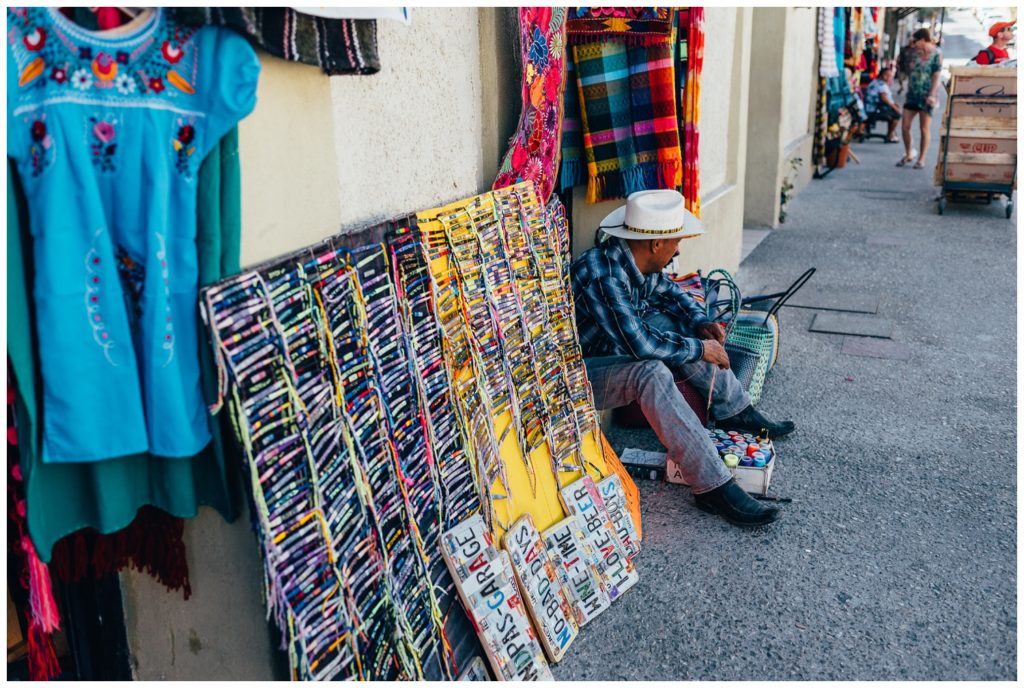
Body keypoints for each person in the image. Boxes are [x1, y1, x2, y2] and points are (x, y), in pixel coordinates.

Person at [571, 190, 795, 528]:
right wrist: (701, 349)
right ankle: (713, 486)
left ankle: (736, 411)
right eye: (675, 241)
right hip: (576, 375)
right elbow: (641, 346)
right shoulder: (602, 273)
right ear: (655, 245)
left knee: (682, 328)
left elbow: (672, 293)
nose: (679, 249)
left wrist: (700, 323)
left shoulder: (634, 261)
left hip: (611, 351)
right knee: (652, 372)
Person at [896, 28, 943, 169]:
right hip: (912, 94)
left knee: (924, 128)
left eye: (915, 40)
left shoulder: (936, 53)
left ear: (923, 39)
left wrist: (933, 94)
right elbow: (902, 67)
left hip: (926, 95)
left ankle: (921, 159)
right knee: (905, 126)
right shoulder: (912, 52)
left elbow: (936, 74)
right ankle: (909, 152)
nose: (914, 43)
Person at [864, 66, 903, 142]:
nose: (890, 78)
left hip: (870, 108)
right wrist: (896, 108)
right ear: (883, 75)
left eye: (891, 76)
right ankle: (890, 135)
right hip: (874, 110)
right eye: (888, 75)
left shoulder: (875, 82)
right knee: (896, 115)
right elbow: (884, 99)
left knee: (894, 112)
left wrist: (894, 105)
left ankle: (891, 134)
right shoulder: (881, 85)